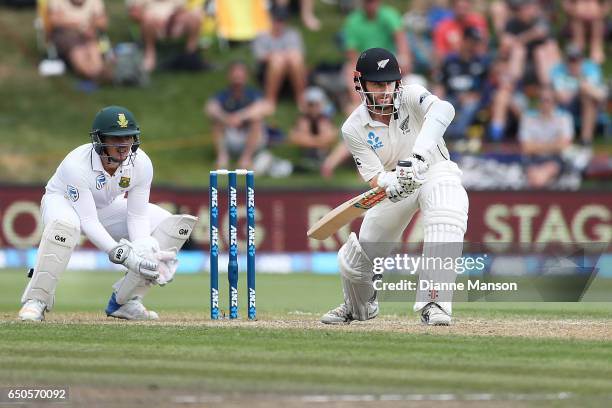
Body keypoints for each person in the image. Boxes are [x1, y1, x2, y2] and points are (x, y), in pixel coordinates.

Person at [321, 48, 468, 326]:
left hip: (434, 169)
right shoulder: (352, 128)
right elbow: (374, 176)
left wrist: (418, 157)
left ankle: (434, 301)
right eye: (377, 84)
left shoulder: (412, 95)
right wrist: (391, 183)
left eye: (389, 83)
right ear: (360, 83)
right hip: (396, 184)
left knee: (447, 210)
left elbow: (444, 109)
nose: (385, 90)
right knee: (357, 260)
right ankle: (358, 307)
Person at [18, 106, 198, 321]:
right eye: (115, 139)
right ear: (100, 140)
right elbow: (88, 221)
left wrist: (143, 252)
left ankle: (125, 302)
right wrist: (126, 257)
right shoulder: (76, 165)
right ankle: (36, 300)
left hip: (106, 208)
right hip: (63, 203)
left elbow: (137, 216)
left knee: (171, 226)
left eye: (128, 138)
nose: (123, 146)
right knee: (65, 228)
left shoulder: (141, 163)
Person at [342, 0, 411, 109]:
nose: (371, 4)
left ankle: (402, 101)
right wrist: (360, 69)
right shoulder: (353, 20)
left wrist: (404, 58)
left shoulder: (389, 15)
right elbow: (351, 52)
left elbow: (400, 39)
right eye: (367, 2)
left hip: (388, 60)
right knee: (350, 71)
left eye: (373, 1)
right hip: (365, 62)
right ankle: (361, 106)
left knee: (404, 60)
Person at [205, 62, 272, 169]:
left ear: (246, 77)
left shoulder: (253, 94)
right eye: (235, 76)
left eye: (240, 76)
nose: (238, 80)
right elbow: (210, 109)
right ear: (229, 77)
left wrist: (240, 116)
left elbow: (266, 108)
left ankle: (246, 158)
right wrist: (226, 118)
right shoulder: (223, 95)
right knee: (216, 121)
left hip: (252, 138)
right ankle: (222, 158)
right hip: (231, 137)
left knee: (257, 119)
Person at [434, 26, 490, 140]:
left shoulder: (481, 63)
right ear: (464, 40)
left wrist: (473, 96)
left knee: (470, 105)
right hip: (451, 97)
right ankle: (440, 135)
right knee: (442, 105)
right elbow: (440, 83)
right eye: (471, 41)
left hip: (471, 100)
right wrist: (438, 100)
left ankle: (455, 136)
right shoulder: (450, 61)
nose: (474, 45)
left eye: (476, 42)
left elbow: (485, 88)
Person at [551, 44, 607, 147]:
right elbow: (563, 98)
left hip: (591, 103)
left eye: (577, 60)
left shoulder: (591, 68)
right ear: (566, 61)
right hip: (568, 106)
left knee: (588, 98)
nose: (574, 63)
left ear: (582, 60)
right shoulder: (558, 70)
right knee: (586, 90)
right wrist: (579, 87)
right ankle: (586, 141)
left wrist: (582, 87)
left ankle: (585, 140)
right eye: (571, 60)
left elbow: (596, 92)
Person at [252, 6, 307, 109]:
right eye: (278, 20)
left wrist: (281, 57)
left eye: (283, 20)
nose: (280, 23)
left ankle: (301, 97)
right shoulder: (262, 35)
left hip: (290, 67)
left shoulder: (293, 34)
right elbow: (260, 57)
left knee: (294, 60)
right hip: (267, 71)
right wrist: (278, 57)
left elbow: (298, 54)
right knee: (278, 61)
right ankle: (270, 99)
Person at [519, 87, 574, 188]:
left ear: (554, 102)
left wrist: (536, 145)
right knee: (536, 178)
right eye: (541, 100)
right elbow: (526, 147)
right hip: (533, 159)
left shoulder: (564, 118)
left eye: (547, 100)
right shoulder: (528, 118)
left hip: (555, 160)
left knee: (539, 179)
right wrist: (553, 145)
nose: (544, 103)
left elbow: (563, 146)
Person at [126, 0, 203, 72]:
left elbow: (181, 9)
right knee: (149, 20)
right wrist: (149, 18)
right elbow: (134, 13)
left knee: (195, 16)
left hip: (174, 23)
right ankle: (150, 54)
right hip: (151, 23)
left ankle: (190, 55)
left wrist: (173, 19)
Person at [48, 0, 108, 80]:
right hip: (66, 35)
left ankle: (96, 73)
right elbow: (54, 20)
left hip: (89, 35)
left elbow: (102, 21)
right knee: (78, 51)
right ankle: (93, 74)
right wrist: (80, 26)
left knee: (93, 48)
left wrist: (92, 27)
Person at [289, 87, 338, 171]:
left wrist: (311, 141)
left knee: (322, 125)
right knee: (305, 124)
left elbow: (331, 137)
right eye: (311, 104)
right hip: (307, 151)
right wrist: (318, 142)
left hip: (321, 150)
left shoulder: (325, 120)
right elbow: (294, 138)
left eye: (317, 104)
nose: (314, 108)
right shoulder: (303, 120)